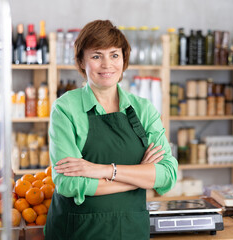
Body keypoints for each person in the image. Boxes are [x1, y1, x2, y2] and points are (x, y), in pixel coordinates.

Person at [44, 20, 178, 240]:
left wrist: (105, 170)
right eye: (96, 56)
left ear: (124, 59)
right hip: (78, 232)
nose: (107, 64)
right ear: (81, 61)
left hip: (131, 231)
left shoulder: (143, 109)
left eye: (114, 55)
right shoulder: (66, 108)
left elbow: (168, 174)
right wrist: (138, 176)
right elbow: (69, 183)